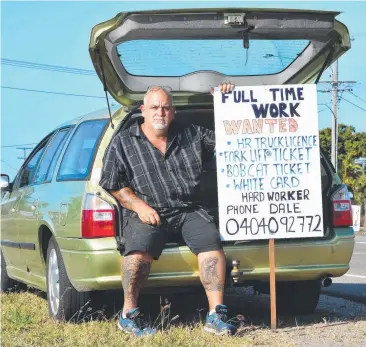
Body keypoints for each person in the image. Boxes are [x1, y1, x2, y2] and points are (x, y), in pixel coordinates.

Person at [99, 83, 236, 337]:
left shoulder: (192, 134)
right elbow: (111, 183)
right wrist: (137, 205)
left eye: (165, 107)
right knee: (137, 255)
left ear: (173, 112)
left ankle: (216, 315)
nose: (160, 112)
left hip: (188, 209)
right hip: (148, 209)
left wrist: (227, 102)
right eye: (154, 107)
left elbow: (231, 141)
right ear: (143, 110)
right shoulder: (124, 142)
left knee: (211, 244)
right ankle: (129, 315)